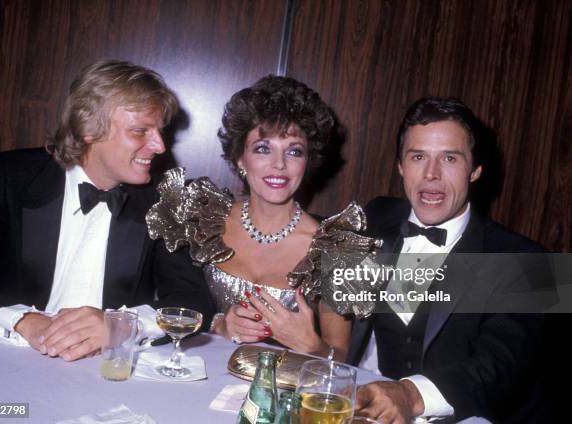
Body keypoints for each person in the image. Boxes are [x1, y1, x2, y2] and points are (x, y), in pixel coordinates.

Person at [0, 59, 214, 362]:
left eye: (160, 130)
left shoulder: (164, 198)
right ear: (88, 130)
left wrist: (119, 326)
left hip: (109, 366)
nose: (160, 146)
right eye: (140, 131)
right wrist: (21, 320)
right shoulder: (11, 177)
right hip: (9, 354)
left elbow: (193, 301)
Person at [347, 97, 553, 422]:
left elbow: (499, 370)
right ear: (400, 165)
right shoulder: (374, 215)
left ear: (475, 170)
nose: (431, 174)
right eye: (418, 157)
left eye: (450, 158)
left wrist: (410, 395)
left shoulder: (531, 261)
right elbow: (336, 311)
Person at [147, 75, 380, 360]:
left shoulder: (337, 249)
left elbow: (342, 359)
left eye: (294, 151)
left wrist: (312, 346)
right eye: (262, 148)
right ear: (240, 159)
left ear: (308, 162)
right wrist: (218, 324)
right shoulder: (201, 221)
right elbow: (174, 305)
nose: (279, 165)